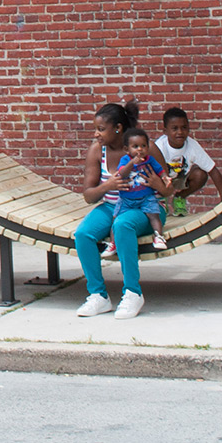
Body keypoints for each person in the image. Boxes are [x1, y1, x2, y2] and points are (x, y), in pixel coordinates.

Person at [72, 98, 167, 320]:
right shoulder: (97, 151)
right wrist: (108, 186)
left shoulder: (145, 147)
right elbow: (88, 196)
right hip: (112, 206)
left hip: (146, 209)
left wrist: (157, 185)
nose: (96, 134)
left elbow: (167, 188)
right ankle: (98, 296)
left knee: (123, 225)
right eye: (96, 129)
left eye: (101, 129)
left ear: (118, 129)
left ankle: (133, 293)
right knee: (83, 234)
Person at [100, 127, 172, 258]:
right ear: (127, 149)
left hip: (146, 197)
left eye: (143, 146)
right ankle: (113, 243)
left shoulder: (150, 159)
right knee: (116, 220)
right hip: (126, 200)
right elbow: (122, 173)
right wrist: (132, 163)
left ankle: (159, 236)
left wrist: (165, 178)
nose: (140, 149)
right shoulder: (125, 160)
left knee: (153, 215)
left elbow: (160, 170)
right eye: (136, 146)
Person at [155, 106, 222, 216]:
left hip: (180, 178)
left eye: (184, 127)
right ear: (165, 131)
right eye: (175, 128)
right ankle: (161, 202)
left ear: (189, 128)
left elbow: (213, 170)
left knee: (200, 174)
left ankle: (179, 198)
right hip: (162, 180)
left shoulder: (192, 145)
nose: (180, 132)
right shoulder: (159, 146)